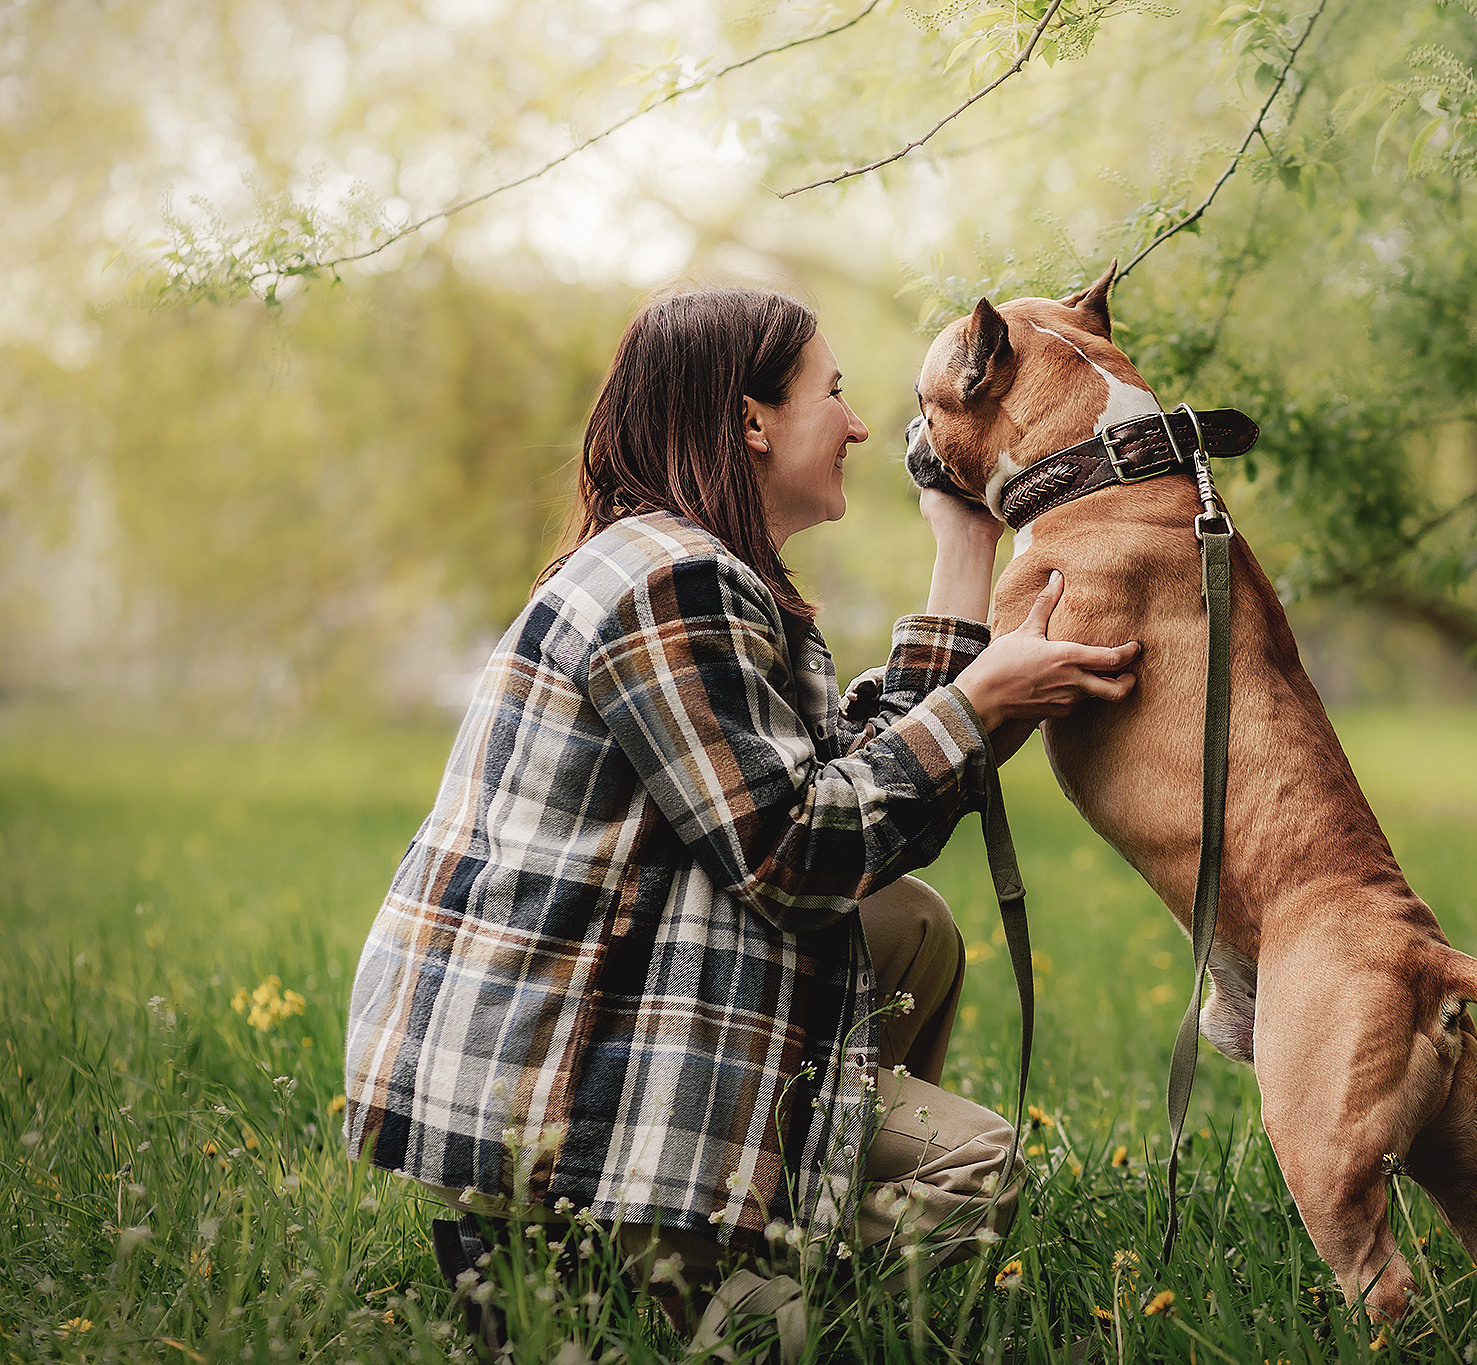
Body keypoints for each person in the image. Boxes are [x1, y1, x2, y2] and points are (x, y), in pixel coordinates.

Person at [340, 286, 1141, 1341]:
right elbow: (796, 849)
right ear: (752, 421)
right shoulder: (667, 581)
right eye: (834, 393)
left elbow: (844, 777)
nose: (860, 425)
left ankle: (734, 1216)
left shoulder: (696, 567)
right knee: (972, 1169)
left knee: (910, 926)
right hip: (549, 1097)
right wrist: (981, 702)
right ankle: (639, 1275)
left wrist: (962, 548)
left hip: (606, 997)